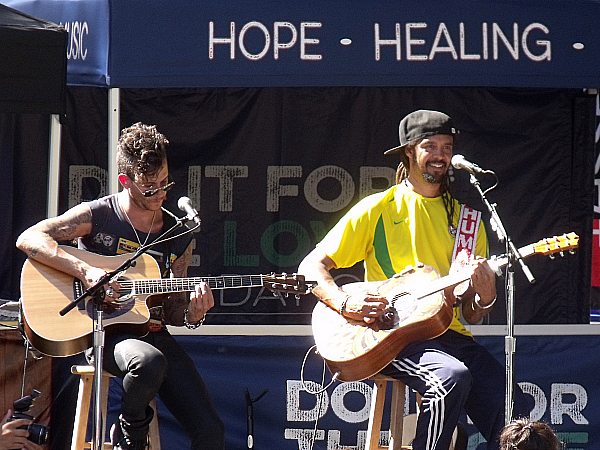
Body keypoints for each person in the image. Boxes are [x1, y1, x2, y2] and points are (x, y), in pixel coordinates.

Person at [298, 110, 529, 450]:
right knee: (449, 380)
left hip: (452, 337)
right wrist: (347, 303)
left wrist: (485, 296)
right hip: (392, 334)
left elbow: (471, 314)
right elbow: (310, 267)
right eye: (430, 146)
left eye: (447, 147)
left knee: (515, 410)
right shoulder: (378, 208)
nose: (440, 155)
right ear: (409, 151)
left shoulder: (469, 221)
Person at [16, 123, 225, 450]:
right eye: (149, 188)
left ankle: (131, 428)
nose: (160, 194)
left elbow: (172, 309)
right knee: (148, 362)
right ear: (125, 182)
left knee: (211, 433)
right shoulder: (98, 215)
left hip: (151, 330)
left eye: (164, 183)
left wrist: (192, 313)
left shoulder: (177, 233)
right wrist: (85, 270)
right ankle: (130, 432)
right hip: (103, 331)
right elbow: (29, 238)